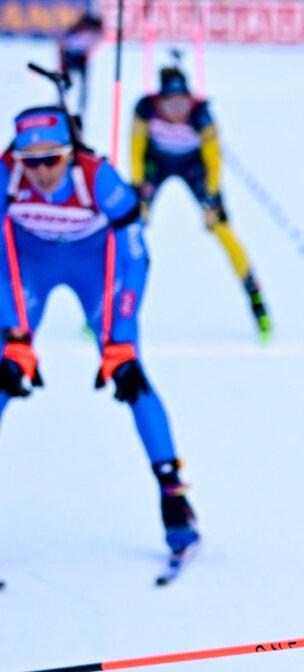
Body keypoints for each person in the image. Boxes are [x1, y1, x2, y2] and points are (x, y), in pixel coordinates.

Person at [0, 106, 199, 557]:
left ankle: (174, 497)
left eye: (51, 159)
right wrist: (14, 335)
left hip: (95, 266)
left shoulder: (99, 179)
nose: (41, 173)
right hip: (30, 265)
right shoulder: (6, 175)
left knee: (129, 373)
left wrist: (120, 337)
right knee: (5, 373)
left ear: (70, 155)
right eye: (31, 162)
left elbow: (137, 259)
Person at [131, 63, 272, 341]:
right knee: (130, 228)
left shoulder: (201, 115)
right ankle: (105, 302)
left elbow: (213, 159)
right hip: (155, 163)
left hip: (194, 165)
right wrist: (138, 188)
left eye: (182, 103)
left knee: (223, 230)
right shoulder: (146, 109)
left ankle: (257, 302)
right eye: (170, 105)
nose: (177, 111)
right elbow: (135, 149)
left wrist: (211, 196)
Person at [58, 13, 103, 118]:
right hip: (69, 56)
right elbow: (61, 44)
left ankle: (82, 110)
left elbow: (99, 43)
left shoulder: (96, 32)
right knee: (66, 84)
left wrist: (89, 53)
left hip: (82, 58)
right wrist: (61, 62)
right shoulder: (73, 31)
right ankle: (61, 106)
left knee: (84, 85)